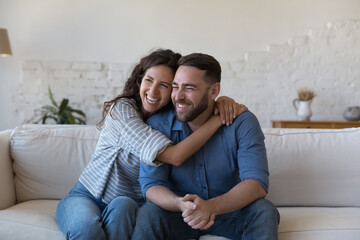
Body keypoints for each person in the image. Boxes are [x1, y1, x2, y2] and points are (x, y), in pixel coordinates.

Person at [55, 49, 247, 240]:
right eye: (149, 80)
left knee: (124, 206)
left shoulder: (172, 120)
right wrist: (218, 119)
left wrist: (220, 101)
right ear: (140, 80)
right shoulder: (122, 111)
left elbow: (197, 102)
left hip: (127, 203)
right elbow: (174, 156)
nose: (153, 91)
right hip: (87, 195)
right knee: (87, 229)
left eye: (164, 85)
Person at [133, 53, 280, 240]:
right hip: (178, 214)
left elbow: (257, 183)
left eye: (189, 88)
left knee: (264, 211)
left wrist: (212, 207)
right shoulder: (158, 125)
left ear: (213, 91)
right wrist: (180, 204)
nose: (178, 96)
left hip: (228, 212)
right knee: (147, 214)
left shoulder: (243, 122)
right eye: (175, 86)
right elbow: (151, 184)